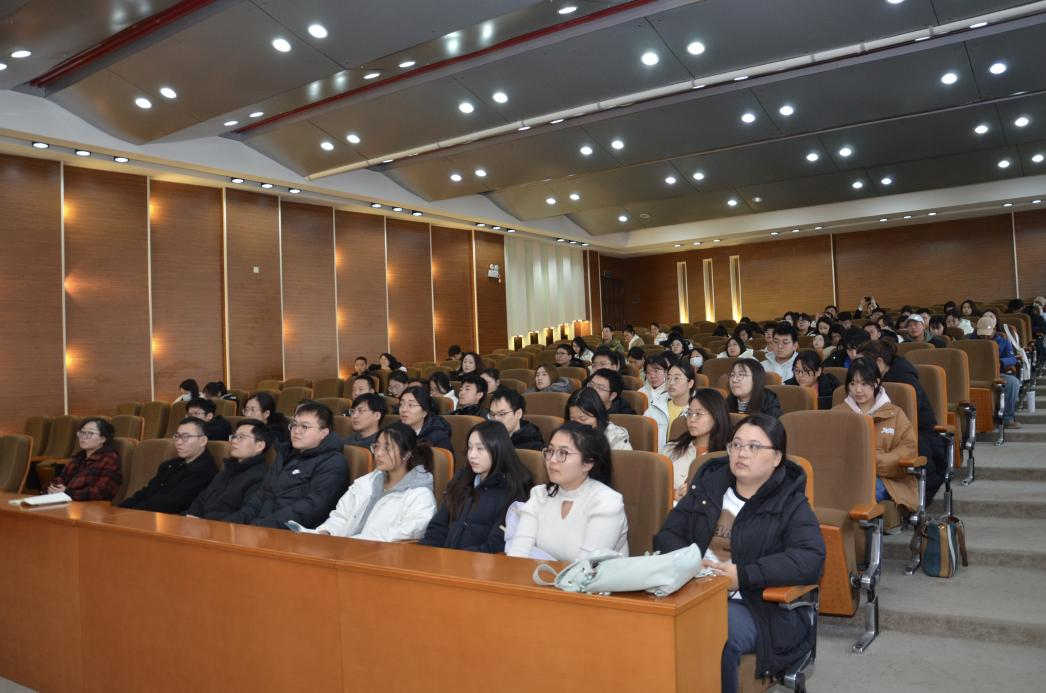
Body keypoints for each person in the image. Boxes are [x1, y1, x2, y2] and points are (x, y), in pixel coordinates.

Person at [654, 414, 824, 693]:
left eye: (754, 447)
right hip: (692, 590)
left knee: (713, 634)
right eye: (736, 445)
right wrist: (691, 562)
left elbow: (810, 558)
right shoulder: (708, 487)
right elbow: (667, 535)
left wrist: (743, 576)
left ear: (777, 457)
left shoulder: (790, 501)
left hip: (754, 604)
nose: (742, 453)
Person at [506, 421, 629, 560]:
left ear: (587, 463)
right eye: (550, 451)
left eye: (562, 453)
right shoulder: (540, 495)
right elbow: (518, 553)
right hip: (545, 573)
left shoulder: (606, 502)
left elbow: (585, 567)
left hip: (592, 574)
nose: (552, 460)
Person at [224, 402, 348, 528]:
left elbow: (311, 508)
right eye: (294, 425)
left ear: (324, 433)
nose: (296, 431)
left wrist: (260, 526)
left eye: (305, 427)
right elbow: (261, 496)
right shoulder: (286, 454)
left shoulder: (333, 463)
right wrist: (234, 522)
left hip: (293, 532)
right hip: (262, 526)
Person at [420, 421, 533, 552]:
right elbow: (437, 527)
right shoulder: (461, 479)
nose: (472, 455)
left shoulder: (513, 490)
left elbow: (495, 544)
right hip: (445, 560)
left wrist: (458, 560)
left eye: (480, 448)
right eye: (470, 448)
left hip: (477, 563)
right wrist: (426, 555)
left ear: (497, 449)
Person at [857, 338, 948, 499]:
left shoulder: (905, 383)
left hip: (917, 440)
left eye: (863, 364)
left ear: (880, 362)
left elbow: (901, 427)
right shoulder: (862, 385)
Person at [314, 423, 435, 540]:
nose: (379, 453)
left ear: (406, 454)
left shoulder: (420, 496)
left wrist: (354, 542)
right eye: (377, 446)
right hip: (345, 547)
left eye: (387, 448)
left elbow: (401, 535)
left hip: (375, 552)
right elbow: (341, 517)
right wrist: (327, 532)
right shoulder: (366, 482)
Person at [833, 358, 919, 512]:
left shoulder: (895, 413)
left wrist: (872, 462)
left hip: (886, 479)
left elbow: (908, 449)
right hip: (845, 476)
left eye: (864, 384)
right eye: (853, 383)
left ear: (876, 382)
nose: (858, 390)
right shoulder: (837, 414)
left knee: (864, 491)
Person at [120, 417, 217, 513]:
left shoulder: (204, 471)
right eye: (177, 436)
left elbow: (171, 504)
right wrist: (120, 509)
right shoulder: (170, 465)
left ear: (203, 441)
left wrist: (132, 513)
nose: (178, 442)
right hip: (147, 514)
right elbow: (147, 492)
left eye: (185, 437)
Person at [184, 419, 271, 521]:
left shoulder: (261, 477)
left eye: (241, 437)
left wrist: (204, 520)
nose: (234, 441)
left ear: (259, 446)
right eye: (234, 436)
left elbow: (245, 516)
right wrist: (191, 516)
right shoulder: (227, 471)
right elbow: (201, 500)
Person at [661, 389, 731, 500]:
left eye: (698, 414)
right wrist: (672, 495)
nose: (691, 419)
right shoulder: (671, 449)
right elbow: (652, 487)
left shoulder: (728, 457)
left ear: (716, 416)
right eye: (689, 413)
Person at [46, 418, 122, 501]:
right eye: (82, 432)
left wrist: (67, 492)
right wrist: (54, 487)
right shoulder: (78, 457)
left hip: (90, 506)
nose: (83, 436)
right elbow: (62, 478)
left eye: (90, 433)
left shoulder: (109, 458)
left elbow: (102, 492)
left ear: (102, 439)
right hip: (68, 501)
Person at [970, 316, 1022, 430]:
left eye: (987, 335)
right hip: (972, 375)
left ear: (994, 330)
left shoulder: (1003, 341)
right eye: (982, 335)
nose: (985, 337)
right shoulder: (968, 341)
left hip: (995, 374)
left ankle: (1008, 418)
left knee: (1013, 382)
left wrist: (1001, 362)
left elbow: (1012, 358)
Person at [566, 387, 632, 450]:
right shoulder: (565, 434)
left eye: (583, 419)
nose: (577, 425)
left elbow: (625, 457)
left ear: (598, 415)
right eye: (573, 420)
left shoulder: (615, 438)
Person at [397, 385, 453, 450]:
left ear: (424, 412)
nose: (404, 409)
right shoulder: (394, 432)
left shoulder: (438, 437)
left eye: (411, 405)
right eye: (401, 404)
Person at [641, 353, 672, 449]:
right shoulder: (640, 393)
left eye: (656, 371)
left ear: (665, 372)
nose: (652, 376)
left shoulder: (672, 393)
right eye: (648, 372)